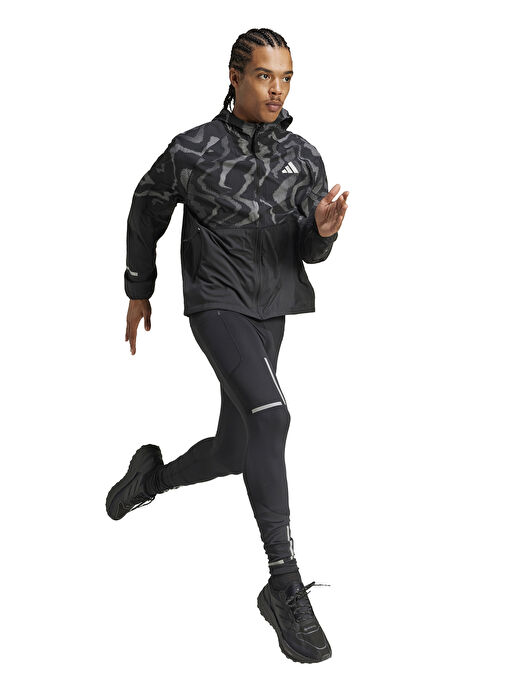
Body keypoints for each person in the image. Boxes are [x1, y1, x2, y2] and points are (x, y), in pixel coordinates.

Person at [105, 27, 349, 664]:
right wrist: (139, 288)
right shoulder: (194, 150)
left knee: (238, 447)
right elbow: (146, 207)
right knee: (273, 417)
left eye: (286, 77)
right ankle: (283, 583)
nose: (277, 89)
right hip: (215, 304)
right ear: (236, 76)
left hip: (272, 311)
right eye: (265, 75)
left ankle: (152, 478)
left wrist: (322, 232)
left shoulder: (304, 156)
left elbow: (309, 251)